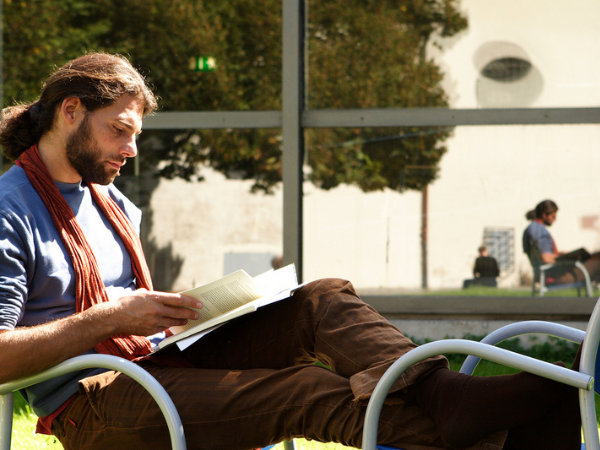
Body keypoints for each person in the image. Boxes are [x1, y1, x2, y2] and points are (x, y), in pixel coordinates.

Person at [0, 53, 581, 450]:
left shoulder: (113, 203)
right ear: (70, 110)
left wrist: (189, 310)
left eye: (136, 135)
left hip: (156, 361)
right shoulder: (12, 208)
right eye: (119, 130)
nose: (130, 148)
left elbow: (132, 315)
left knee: (321, 298)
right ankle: (509, 433)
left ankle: (444, 394)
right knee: (307, 389)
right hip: (91, 402)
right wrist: (115, 316)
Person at [523, 199, 600, 284]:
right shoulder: (539, 230)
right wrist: (566, 257)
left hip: (546, 275)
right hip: (556, 277)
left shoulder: (532, 228)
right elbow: (546, 258)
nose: (555, 219)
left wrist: (561, 255)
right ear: (544, 214)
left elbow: (543, 255)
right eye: (553, 216)